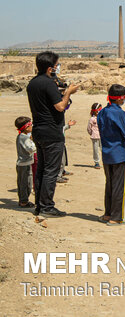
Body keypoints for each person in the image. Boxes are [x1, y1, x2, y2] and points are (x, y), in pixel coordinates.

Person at [27, 51, 79, 217]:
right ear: (50, 68)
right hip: (51, 132)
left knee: (42, 169)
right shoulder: (48, 83)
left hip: (39, 130)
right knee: (51, 171)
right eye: (56, 65)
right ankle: (47, 206)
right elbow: (60, 107)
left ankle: (39, 205)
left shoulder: (33, 83)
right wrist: (68, 92)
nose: (57, 68)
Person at [97, 84, 125, 226]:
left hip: (106, 152)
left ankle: (108, 213)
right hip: (119, 153)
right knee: (120, 186)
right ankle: (116, 217)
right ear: (119, 99)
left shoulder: (102, 112)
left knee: (110, 184)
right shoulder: (118, 113)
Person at [15, 117, 36, 208]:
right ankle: (23, 201)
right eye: (30, 125)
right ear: (26, 127)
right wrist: (34, 142)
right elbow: (31, 149)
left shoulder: (23, 137)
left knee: (28, 182)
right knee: (24, 183)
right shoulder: (24, 138)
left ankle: (24, 200)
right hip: (24, 164)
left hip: (26, 163)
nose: (32, 127)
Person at [87, 103, 102, 169]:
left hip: (102, 136)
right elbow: (89, 128)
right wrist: (92, 133)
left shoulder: (102, 118)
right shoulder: (92, 119)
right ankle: (96, 162)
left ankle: (106, 161)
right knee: (96, 150)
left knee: (103, 149)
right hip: (95, 136)